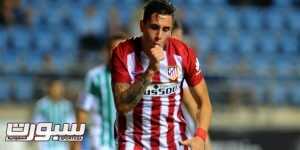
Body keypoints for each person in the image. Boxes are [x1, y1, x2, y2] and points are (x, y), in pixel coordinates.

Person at [111, 0, 212, 150]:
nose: (159, 35)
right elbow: (122, 106)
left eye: (166, 29)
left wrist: (200, 136)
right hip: (133, 143)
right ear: (142, 26)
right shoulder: (123, 53)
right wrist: (151, 70)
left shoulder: (183, 53)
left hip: (173, 143)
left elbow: (204, 103)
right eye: (154, 27)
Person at [75, 33, 127, 150]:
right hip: (101, 143)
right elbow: (82, 111)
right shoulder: (94, 77)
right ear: (107, 52)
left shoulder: (135, 77)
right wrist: (76, 142)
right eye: (115, 50)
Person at [32, 79, 76, 150]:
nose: (58, 90)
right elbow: (36, 124)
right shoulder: (42, 105)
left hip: (62, 145)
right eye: (55, 87)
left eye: (60, 88)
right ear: (50, 88)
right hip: (46, 145)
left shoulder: (67, 106)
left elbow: (71, 125)